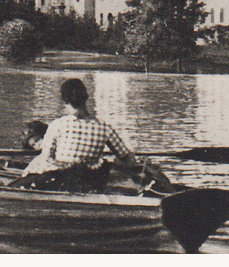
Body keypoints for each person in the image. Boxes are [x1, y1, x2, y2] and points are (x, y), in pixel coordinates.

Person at [12, 78, 173, 193]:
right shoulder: (105, 127)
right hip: (92, 181)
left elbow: (45, 159)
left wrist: (25, 175)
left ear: (64, 100)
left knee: (18, 184)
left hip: (63, 181)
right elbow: (129, 159)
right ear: (86, 99)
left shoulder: (57, 125)